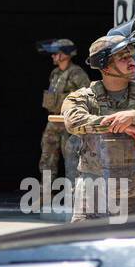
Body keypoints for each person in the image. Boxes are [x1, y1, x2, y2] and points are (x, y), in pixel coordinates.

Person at [62, 16, 135, 222]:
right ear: (105, 66)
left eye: (131, 56)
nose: (132, 61)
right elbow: (74, 122)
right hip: (94, 188)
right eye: (123, 58)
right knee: (87, 245)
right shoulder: (82, 96)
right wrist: (123, 125)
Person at [37, 38, 90, 182]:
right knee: (47, 156)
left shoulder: (77, 73)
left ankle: (74, 192)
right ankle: (46, 190)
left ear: (66, 54)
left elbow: (88, 96)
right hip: (54, 120)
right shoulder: (55, 73)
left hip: (70, 121)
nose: (53, 56)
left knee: (72, 156)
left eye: (56, 53)